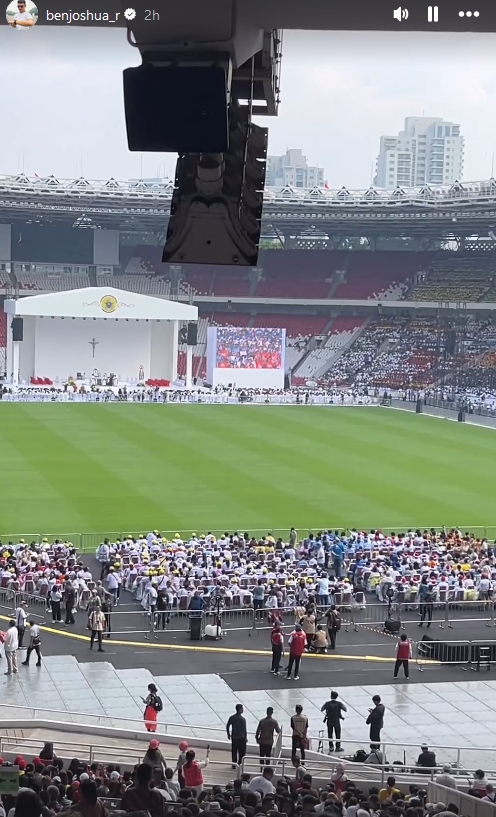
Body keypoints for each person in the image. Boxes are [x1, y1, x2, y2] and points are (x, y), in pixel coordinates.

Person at [226, 703, 247, 769]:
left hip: (234, 737)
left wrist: (228, 734)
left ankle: (234, 763)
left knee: (234, 751)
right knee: (242, 751)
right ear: (240, 709)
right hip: (241, 737)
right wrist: (246, 738)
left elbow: (227, 726)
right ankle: (239, 762)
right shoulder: (243, 719)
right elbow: (244, 730)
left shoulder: (232, 717)